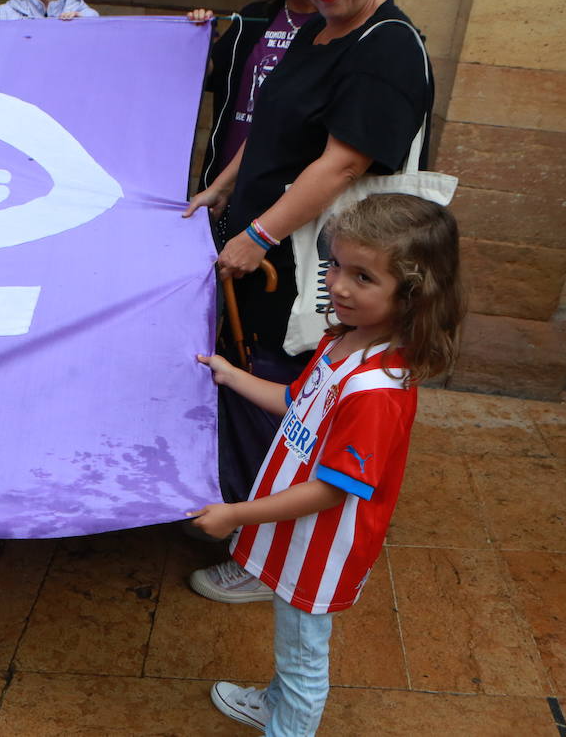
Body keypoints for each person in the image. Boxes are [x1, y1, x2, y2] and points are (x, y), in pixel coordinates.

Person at [182, 0, 433, 602]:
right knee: (250, 381)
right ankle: (237, 512)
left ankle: (267, 556)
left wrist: (258, 236)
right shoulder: (312, 30)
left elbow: (343, 162)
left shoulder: (387, 48)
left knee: (290, 404)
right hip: (266, 256)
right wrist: (223, 189)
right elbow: (270, 128)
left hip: (307, 264)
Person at [190, 193, 465, 735]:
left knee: (302, 659)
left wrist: (234, 514)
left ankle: (286, 725)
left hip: (320, 546)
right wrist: (231, 375)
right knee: (291, 645)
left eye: (363, 277)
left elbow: (331, 491)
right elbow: (297, 401)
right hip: (294, 536)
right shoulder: (342, 342)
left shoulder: (376, 391)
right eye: (336, 264)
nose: (338, 284)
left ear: (412, 296)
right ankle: (275, 705)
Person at [187, 0, 318, 196]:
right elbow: (212, 74)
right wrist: (198, 38)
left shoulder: (331, 29)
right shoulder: (254, 16)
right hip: (224, 172)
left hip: (285, 186)